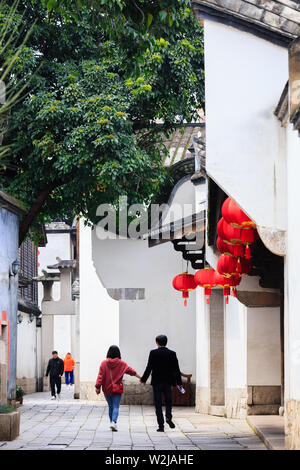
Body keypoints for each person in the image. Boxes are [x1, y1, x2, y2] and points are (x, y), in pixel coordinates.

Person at [141, 335, 182, 432]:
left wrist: (143, 379)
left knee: (158, 403)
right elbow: (176, 369)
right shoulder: (172, 353)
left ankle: (161, 426)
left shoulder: (153, 353)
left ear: (157, 342)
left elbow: (149, 367)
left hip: (157, 382)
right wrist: (179, 383)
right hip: (168, 382)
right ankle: (168, 417)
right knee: (168, 401)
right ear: (166, 342)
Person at [95, 345, 141, 432]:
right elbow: (132, 371)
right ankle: (114, 422)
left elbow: (100, 376)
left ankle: (111, 423)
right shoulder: (122, 364)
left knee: (110, 406)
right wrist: (141, 378)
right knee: (116, 406)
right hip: (117, 389)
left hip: (106, 388)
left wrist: (98, 387)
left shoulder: (103, 363)